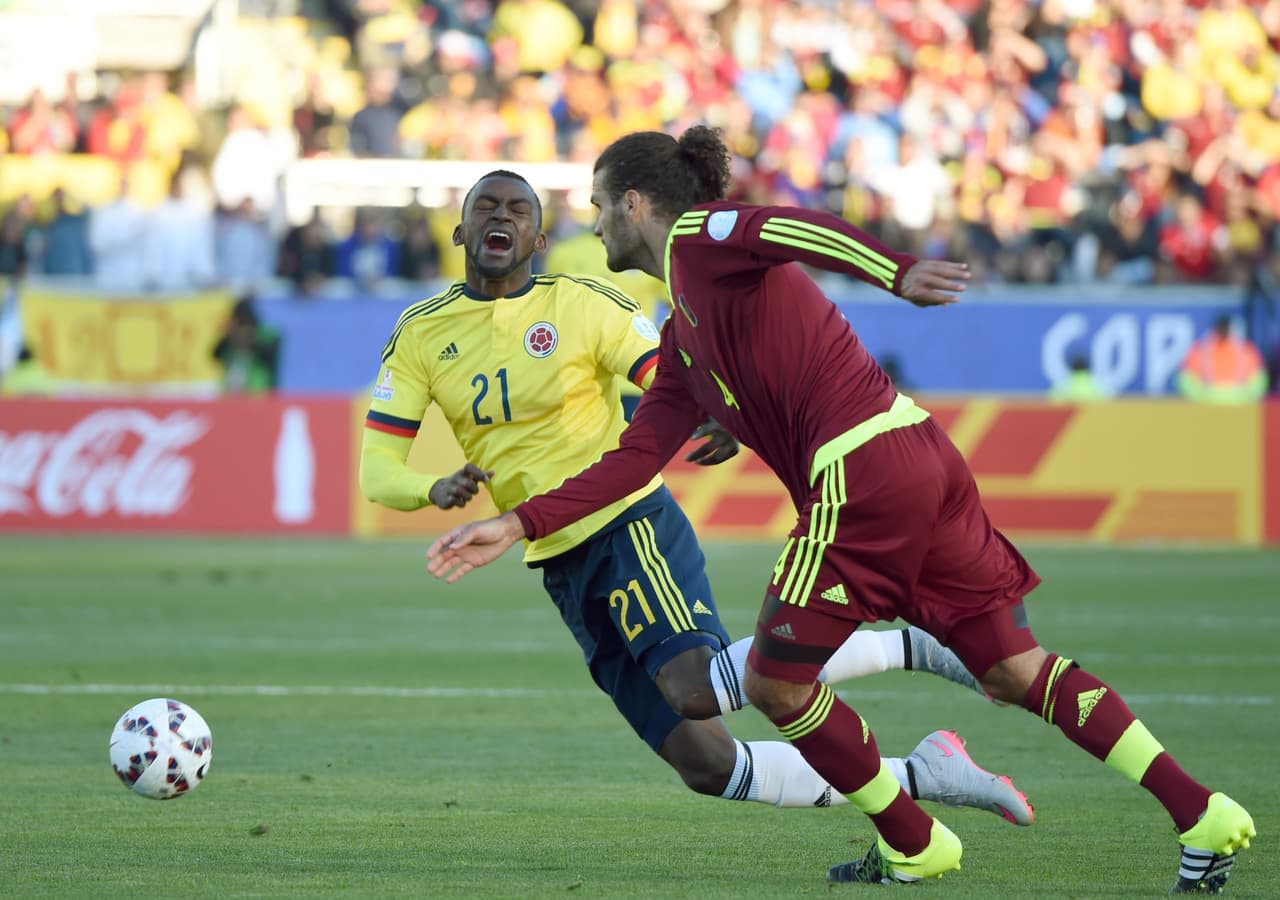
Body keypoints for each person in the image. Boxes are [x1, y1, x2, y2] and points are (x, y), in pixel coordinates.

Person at [426, 130, 1256, 892]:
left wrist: (895, 273)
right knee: (1016, 671)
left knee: (772, 685)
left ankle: (913, 838)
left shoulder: (701, 239)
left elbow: (792, 227)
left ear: (633, 203)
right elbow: (637, 456)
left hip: (860, 472)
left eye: (598, 204)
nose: (593, 223)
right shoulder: (681, 335)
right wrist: (518, 520)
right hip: (917, 459)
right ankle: (1202, 813)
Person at [361, 170, 1035, 826]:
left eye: (517, 209)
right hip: (556, 560)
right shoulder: (421, 332)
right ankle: (925, 773)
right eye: (485, 207)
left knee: (697, 683)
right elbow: (378, 470)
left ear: (540, 240)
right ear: (459, 229)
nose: (500, 217)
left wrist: (713, 408)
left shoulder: (586, 304)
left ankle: (914, 646)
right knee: (707, 765)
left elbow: (667, 373)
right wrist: (432, 487)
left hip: (626, 527)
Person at [1177, 315, 1269, 402]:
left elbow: (1259, 378)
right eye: (1222, 328)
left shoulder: (1246, 349)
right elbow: (1186, 377)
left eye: (1225, 328)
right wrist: (1200, 397)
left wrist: (1248, 397)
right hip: (1208, 404)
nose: (1223, 331)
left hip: (1239, 403)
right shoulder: (1201, 349)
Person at [212, 296, 281, 394]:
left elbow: (272, 360)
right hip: (231, 390)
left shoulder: (266, 334)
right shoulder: (230, 336)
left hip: (257, 390)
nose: (243, 327)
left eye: (245, 322)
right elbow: (215, 355)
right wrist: (228, 337)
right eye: (240, 322)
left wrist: (251, 342)